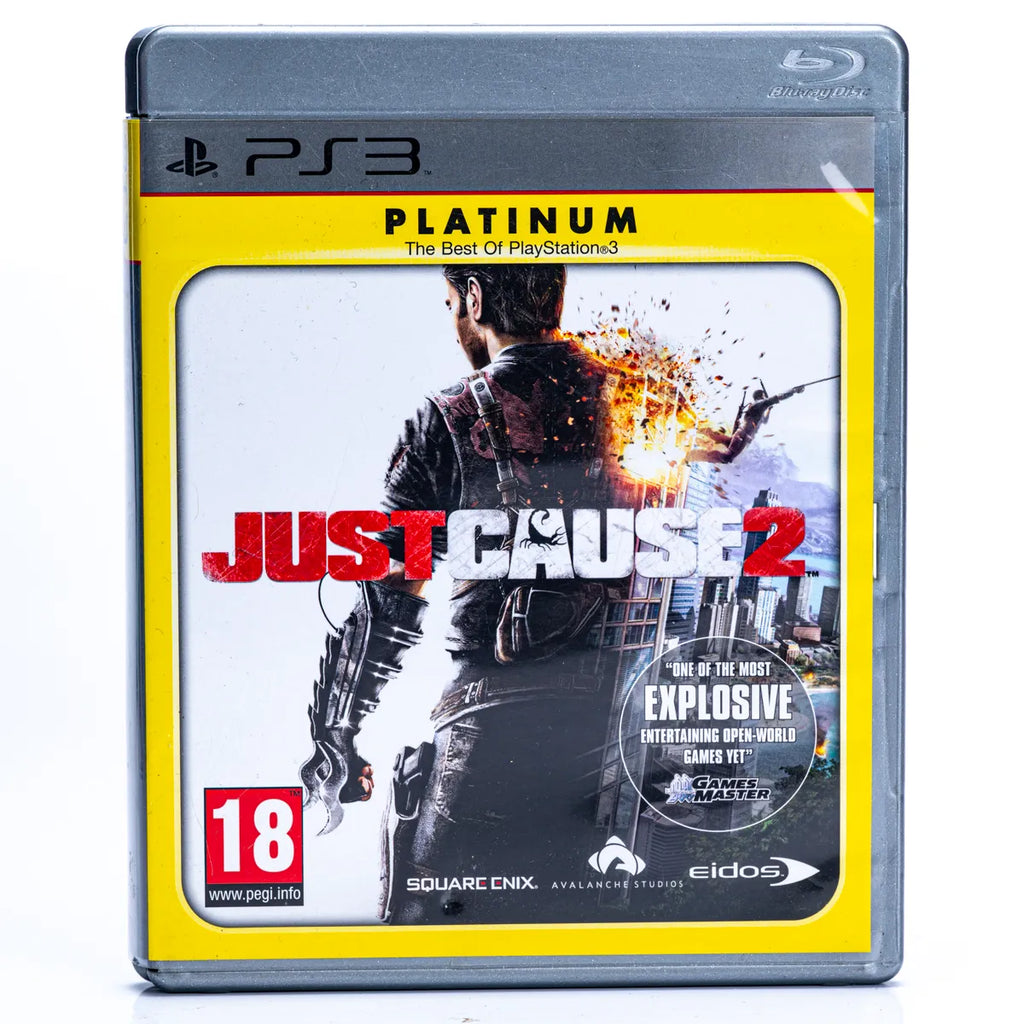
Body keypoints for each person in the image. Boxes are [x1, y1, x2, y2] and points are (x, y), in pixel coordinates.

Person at [300, 265, 618, 925]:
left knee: (436, 921)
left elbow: (393, 588)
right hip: (634, 714)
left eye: (451, 303)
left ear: (474, 297)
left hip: (498, 719)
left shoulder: (450, 416)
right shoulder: (641, 398)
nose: (454, 323)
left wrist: (337, 734)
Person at [688, 385, 804, 464]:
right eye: (765, 396)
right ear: (762, 396)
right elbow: (778, 397)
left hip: (740, 433)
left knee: (725, 441)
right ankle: (693, 455)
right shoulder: (761, 404)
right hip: (743, 435)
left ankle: (700, 429)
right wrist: (793, 391)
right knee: (727, 457)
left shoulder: (754, 406)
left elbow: (764, 420)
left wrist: (768, 409)